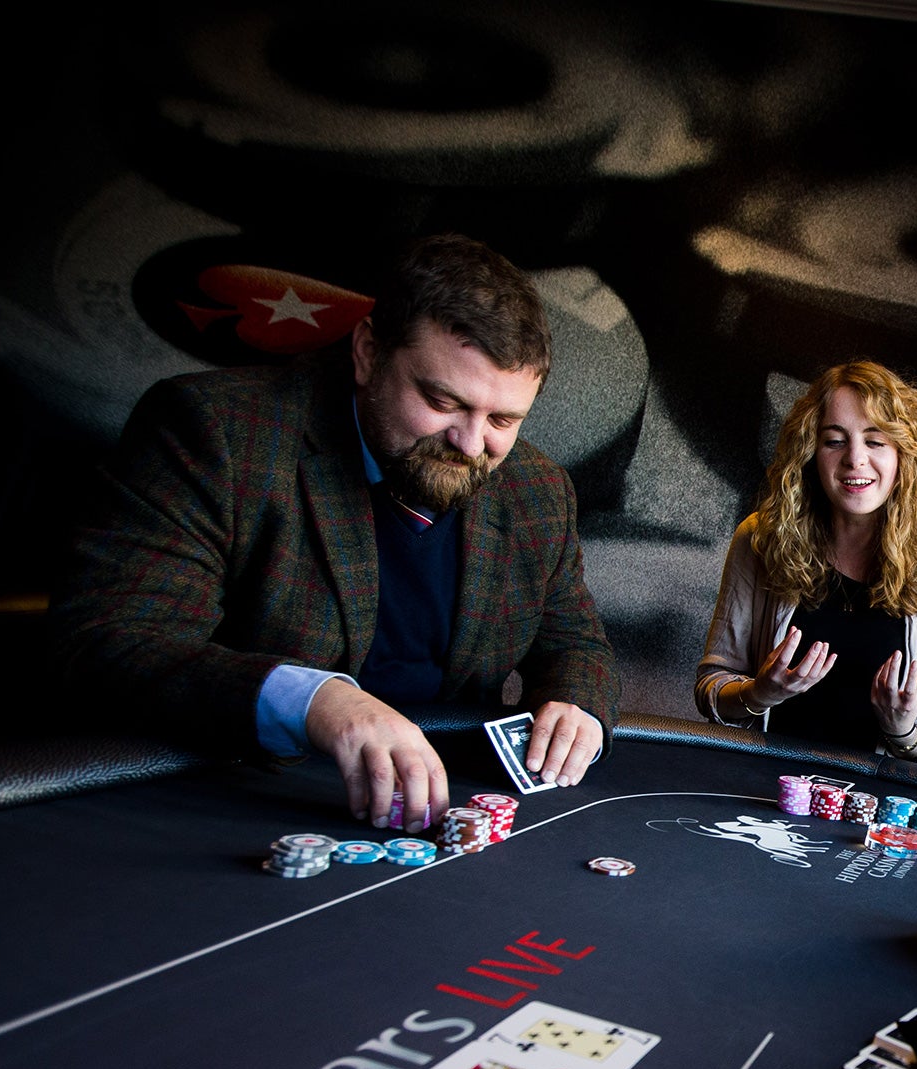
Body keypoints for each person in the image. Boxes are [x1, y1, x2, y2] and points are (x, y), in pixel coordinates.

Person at [52, 233, 622, 832]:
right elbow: (109, 641)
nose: (472, 443)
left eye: (503, 419)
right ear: (368, 352)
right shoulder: (214, 431)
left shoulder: (539, 490)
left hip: (432, 817)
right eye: (441, 401)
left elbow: (574, 643)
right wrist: (317, 700)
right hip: (232, 798)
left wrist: (576, 702)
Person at [696, 361, 917, 762]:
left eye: (875, 441)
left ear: (903, 456)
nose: (855, 459)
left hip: (860, 805)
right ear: (810, 452)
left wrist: (902, 729)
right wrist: (759, 693)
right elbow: (710, 689)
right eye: (834, 441)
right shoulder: (759, 540)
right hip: (752, 785)